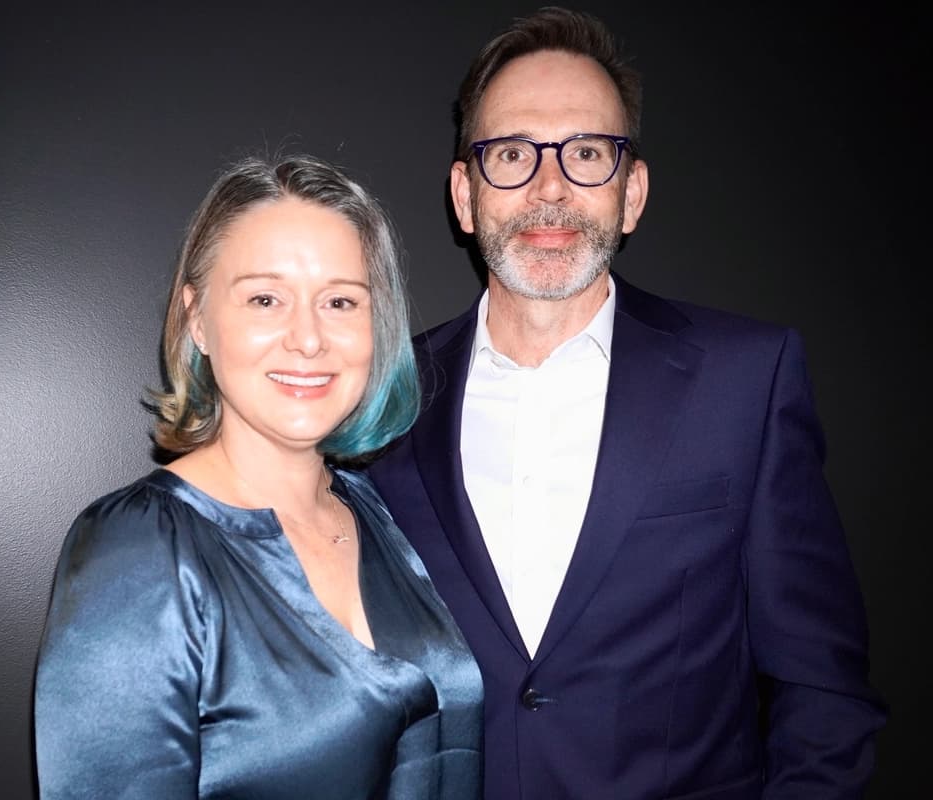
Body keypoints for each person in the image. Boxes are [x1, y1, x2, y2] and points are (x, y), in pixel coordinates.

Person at [368, 7, 887, 799]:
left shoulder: (745, 382)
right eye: (512, 154)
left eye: (586, 153)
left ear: (631, 193)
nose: (550, 188)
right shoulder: (382, 400)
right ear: (465, 196)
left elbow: (824, 690)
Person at [34, 154, 483, 799]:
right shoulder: (139, 549)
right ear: (197, 319)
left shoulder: (381, 514)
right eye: (265, 299)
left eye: (340, 301)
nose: (308, 339)